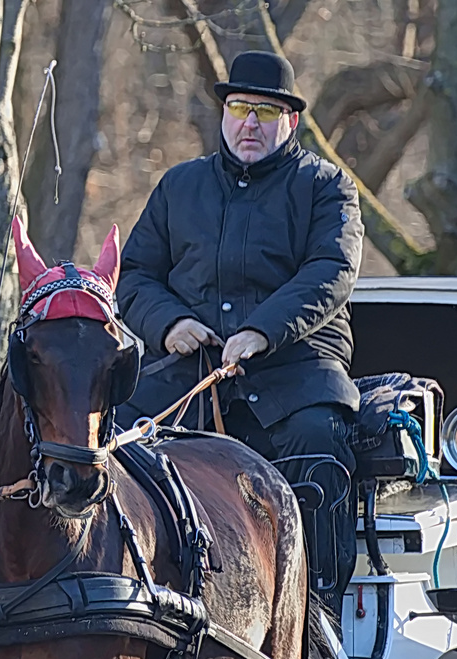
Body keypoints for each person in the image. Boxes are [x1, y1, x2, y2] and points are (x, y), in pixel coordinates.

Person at [117, 50, 364, 608]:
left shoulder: (328, 188)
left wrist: (260, 331)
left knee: (319, 443)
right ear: (224, 113)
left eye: (266, 111)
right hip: (188, 376)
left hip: (295, 373)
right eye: (239, 107)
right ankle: (126, 603)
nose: (250, 122)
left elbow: (331, 271)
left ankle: (318, 616)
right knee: (111, 439)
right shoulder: (179, 187)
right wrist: (169, 323)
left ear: (290, 121)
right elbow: (133, 275)